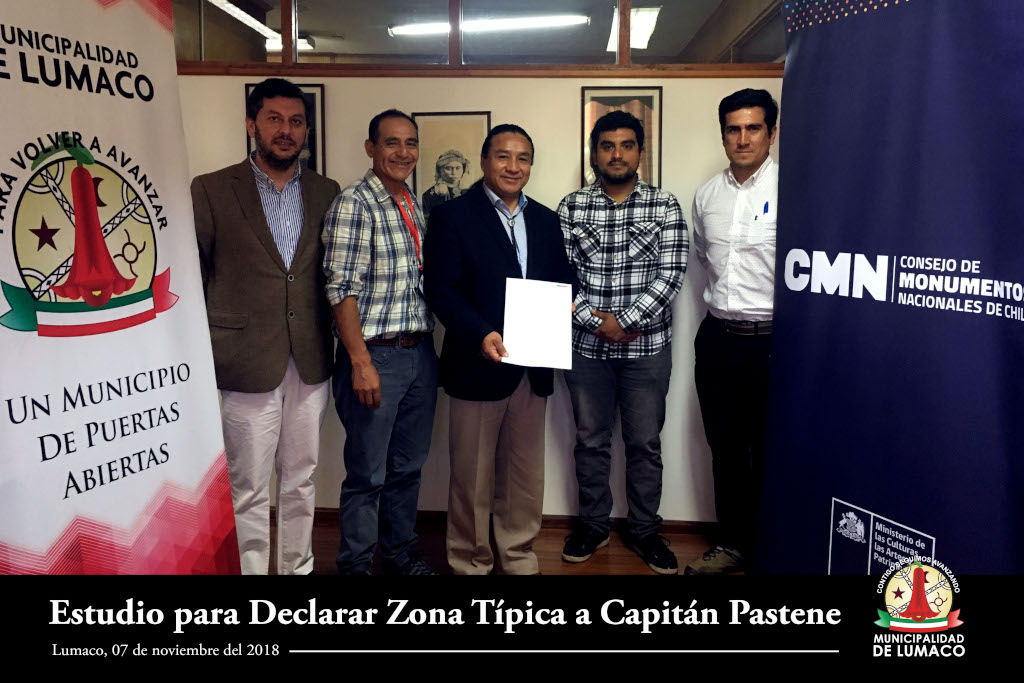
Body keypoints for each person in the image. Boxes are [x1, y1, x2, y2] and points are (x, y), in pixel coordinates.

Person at [191, 77, 340, 575]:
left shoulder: (326, 192)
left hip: (311, 357)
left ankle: (298, 568)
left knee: (301, 478)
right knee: (249, 484)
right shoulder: (212, 188)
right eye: (274, 119)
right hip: (244, 358)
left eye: (296, 121)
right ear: (251, 124)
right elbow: (195, 272)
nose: (286, 130)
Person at [423, 124, 576, 575]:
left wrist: (565, 300)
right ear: (485, 160)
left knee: (524, 474)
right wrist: (480, 332)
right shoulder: (452, 216)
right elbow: (441, 288)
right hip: (477, 362)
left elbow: (562, 276)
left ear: (531, 165)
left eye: (523, 158)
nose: (513, 166)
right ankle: (470, 561)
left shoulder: (546, 219)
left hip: (532, 365)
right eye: (503, 156)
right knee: (471, 477)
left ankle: (519, 555)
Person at [557, 110, 688, 575]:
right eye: (607, 145)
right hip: (586, 350)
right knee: (589, 441)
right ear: (594, 153)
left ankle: (645, 531)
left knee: (644, 444)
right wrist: (597, 323)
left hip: (646, 351)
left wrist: (625, 321)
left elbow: (671, 273)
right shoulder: (571, 207)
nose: (617, 154)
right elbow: (559, 275)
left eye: (627, 145)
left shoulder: (664, 205)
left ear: (640, 153)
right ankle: (593, 526)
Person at [322, 109, 437, 576]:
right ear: (371, 148)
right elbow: (340, 288)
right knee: (367, 474)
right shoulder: (355, 203)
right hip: (376, 356)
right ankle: (354, 566)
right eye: (392, 142)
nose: (403, 152)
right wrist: (360, 361)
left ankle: (399, 553)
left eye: (410, 143)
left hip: (419, 352)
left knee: (407, 468)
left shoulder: (410, 202)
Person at [687, 88, 779, 575]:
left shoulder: (794, 190)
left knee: (769, 451)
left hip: (774, 343)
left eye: (753, 128)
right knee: (725, 449)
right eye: (733, 129)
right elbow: (706, 257)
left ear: (771, 133)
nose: (742, 139)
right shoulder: (707, 196)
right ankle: (732, 544)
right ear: (723, 134)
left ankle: (769, 549)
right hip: (718, 339)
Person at [421, 149, 469, 221]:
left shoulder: (468, 193)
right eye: (448, 168)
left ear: (463, 170)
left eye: (458, 168)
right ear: (439, 171)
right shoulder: (429, 196)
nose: (454, 172)